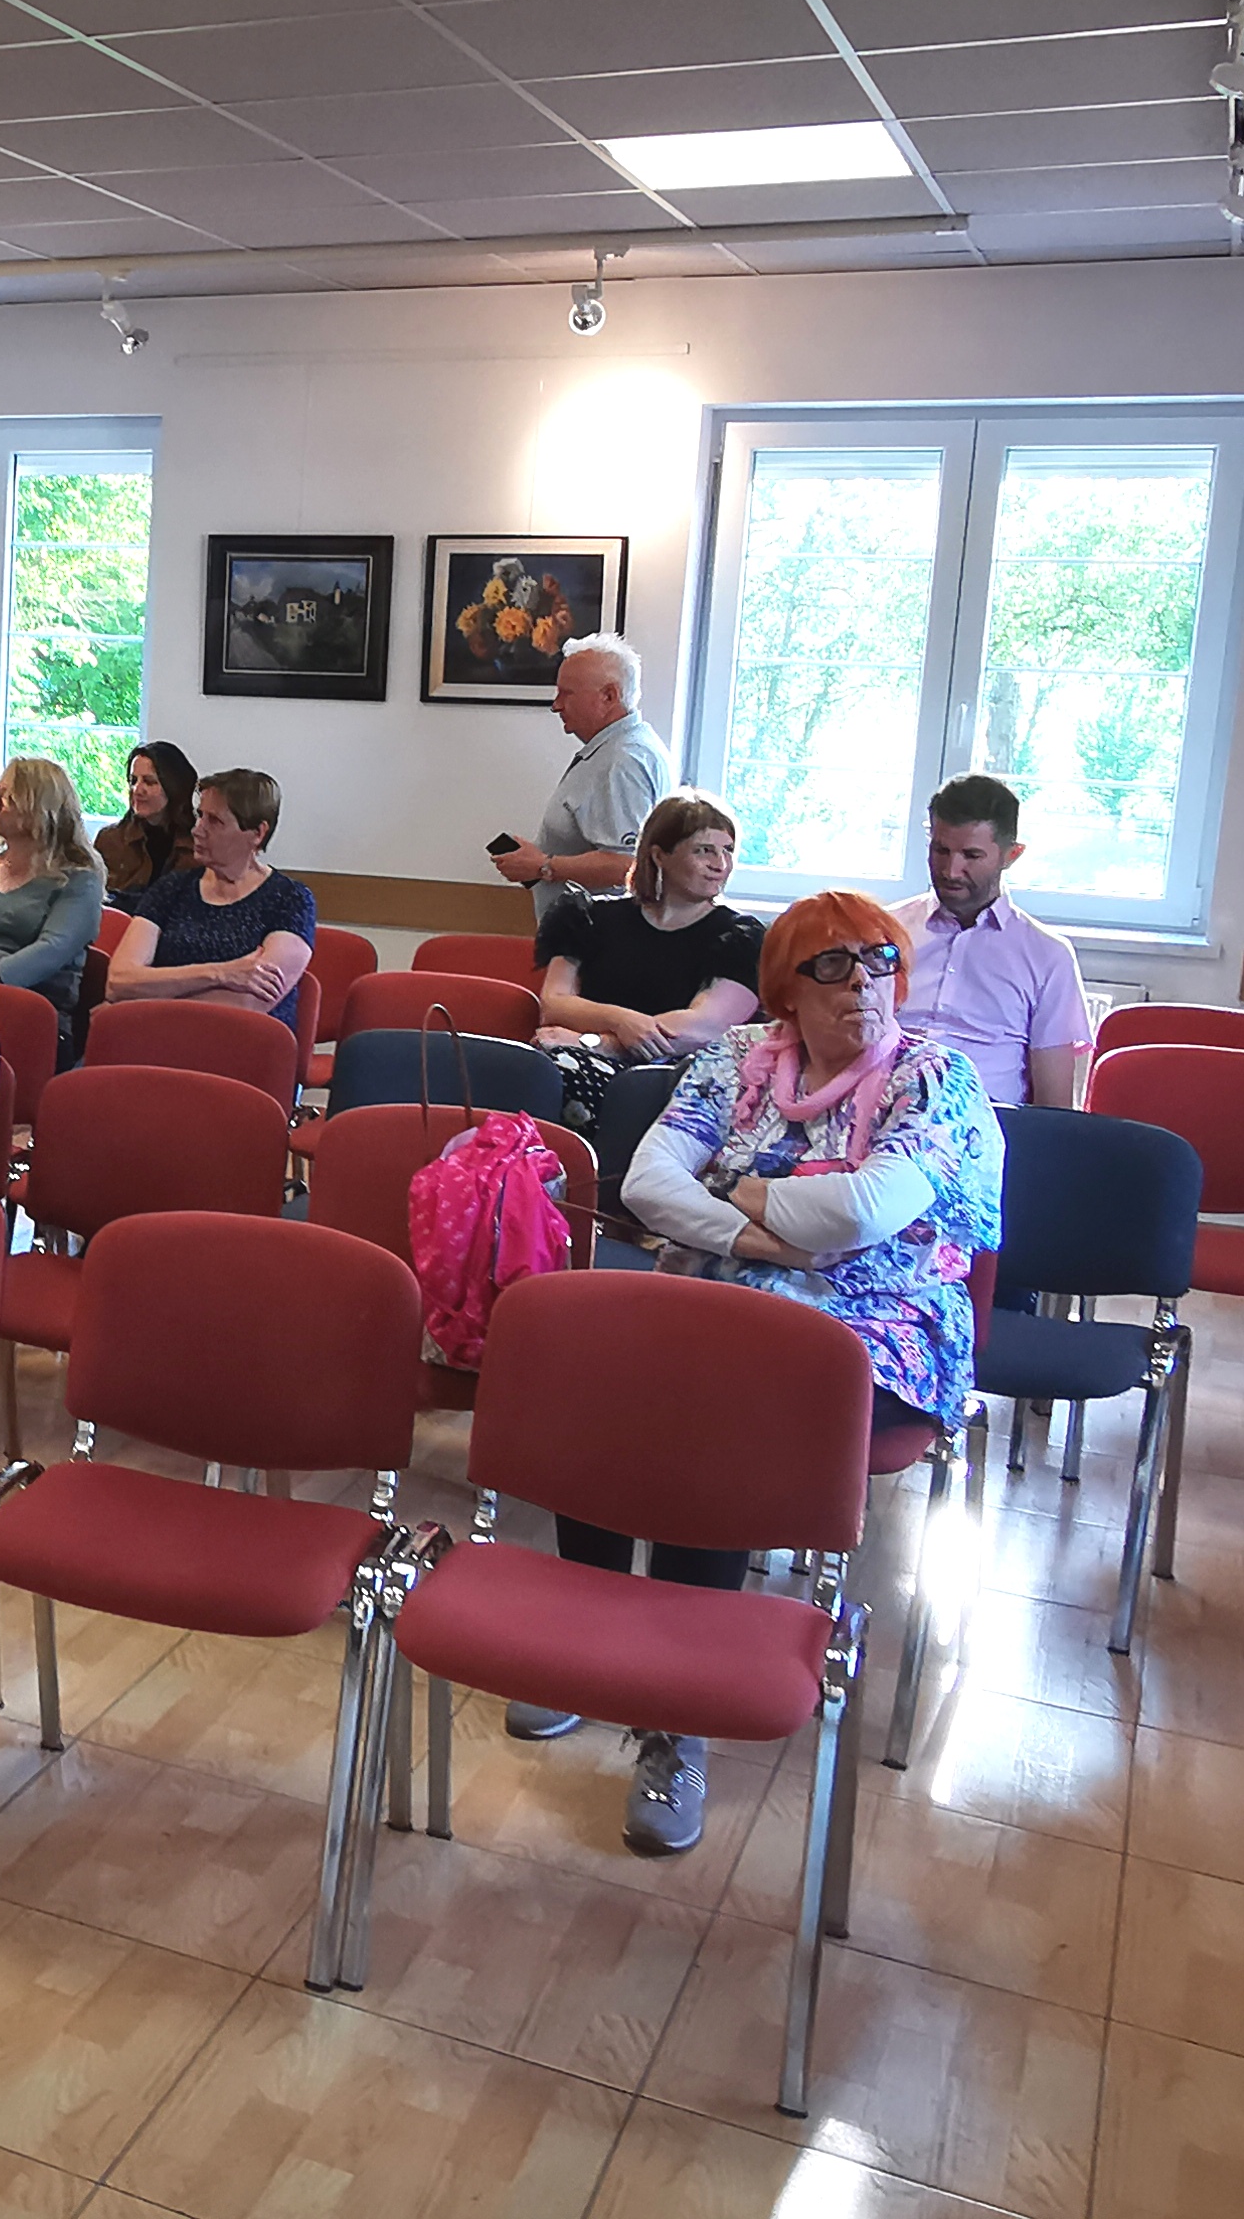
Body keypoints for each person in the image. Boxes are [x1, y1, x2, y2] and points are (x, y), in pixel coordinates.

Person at [596, 890, 1001, 1854]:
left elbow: (865, 1214)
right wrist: (760, 1236)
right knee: (596, 1364)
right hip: (727, 1293)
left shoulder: (934, 1076)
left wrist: (732, 1189)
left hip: (882, 1325)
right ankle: (596, 1645)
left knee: (716, 1411)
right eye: (833, 966)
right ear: (786, 990)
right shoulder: (738, 1058)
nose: (862, 983)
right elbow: (647, 1183)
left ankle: (678, 1717)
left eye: (879, 962)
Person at [535, 788, 762, 1119]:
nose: (720, 864)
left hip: (674, 1076)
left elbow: (704, 1027)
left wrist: (596, 1042)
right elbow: (554, 1004)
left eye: (727, 850)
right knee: (531, 1072)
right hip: (575, 1055)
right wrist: (620, 1020)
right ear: (659, 855)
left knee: (560, 1072)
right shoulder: (589, 917)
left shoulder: (739, 935)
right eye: (704, 850)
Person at [891, 773, 1086, 1109]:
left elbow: (1054, 1109)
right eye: (940, 850)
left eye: (971, 855)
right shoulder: (883, 930)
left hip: (987, 1127)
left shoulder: (1048, 956)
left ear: (1011, 855)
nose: (951, 870)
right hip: (880, 1117)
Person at [105, 767, 319, 1030]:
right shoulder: (172, 888)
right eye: (200, 816)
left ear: (257, 833)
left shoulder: (290, 900)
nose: (197, 830)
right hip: (157, 1037)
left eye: (215, 821)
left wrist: (145, 1001)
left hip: (243, 1040)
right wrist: (220, 973)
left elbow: (248, 1002)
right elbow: (118, 982)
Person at [492, 635, 673, 929]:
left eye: (567, 694)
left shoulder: (622, 761)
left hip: (599, 940)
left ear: (609, 696)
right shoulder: (622, 748)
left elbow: (626, 865)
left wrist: (543, 866)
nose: (556, 705)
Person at [0, 757, 107, 1007]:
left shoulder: (79, 882)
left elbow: (51, 949)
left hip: (31, 1008)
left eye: (4, 797)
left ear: (36, 810)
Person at [93, 740, 198, 910]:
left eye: (149, 782)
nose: (137, 790)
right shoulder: (110, 840)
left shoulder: (200, 846)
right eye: (133, 781)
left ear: (174, 787)